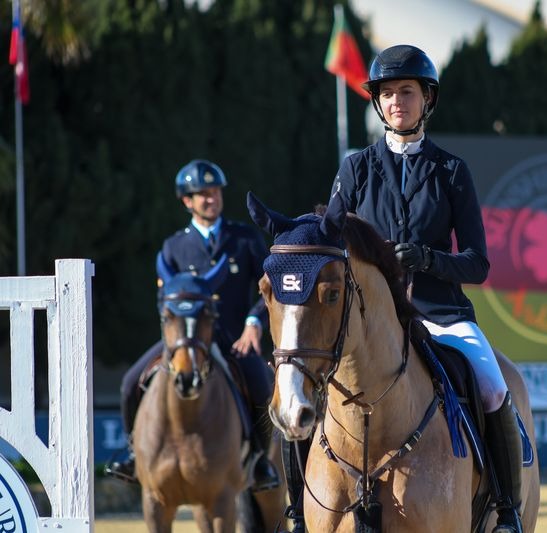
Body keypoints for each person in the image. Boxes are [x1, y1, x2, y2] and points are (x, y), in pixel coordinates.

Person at [283, 45, 524, 533]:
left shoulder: (453, 172)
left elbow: (478, 263)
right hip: (370, 323)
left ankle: (506, 508)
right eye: (388, 93)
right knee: (303, 390)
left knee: (494, 386)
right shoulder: (355, 169)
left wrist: (429, 258)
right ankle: (299, 509)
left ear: (426, 99)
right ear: (377, 103)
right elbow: (331, 236)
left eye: (407, 92)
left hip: (443, 314)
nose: (397, 101)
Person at [106, 159, 279, 492]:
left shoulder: (243, 239)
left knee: (261, 385)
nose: (211, 199)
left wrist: (254, 321)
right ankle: (132, 454)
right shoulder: (173, 247)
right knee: (130, 383)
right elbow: (163, 304)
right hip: (183, 341)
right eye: (202, 194)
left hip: (232, 338)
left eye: (215, 192)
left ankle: (259, 462)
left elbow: (267, 285)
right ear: (187, 201)